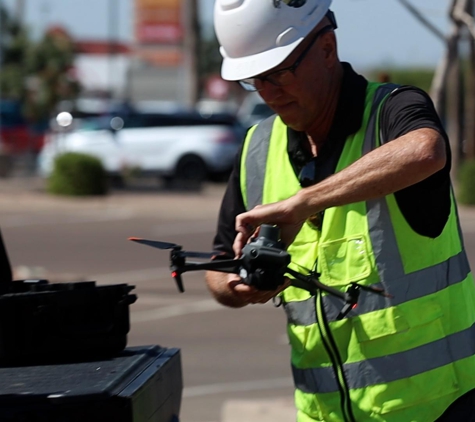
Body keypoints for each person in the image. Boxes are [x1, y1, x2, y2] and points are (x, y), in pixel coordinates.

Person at [205, 0, 475, 421]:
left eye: (277, 73)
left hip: (437, 408)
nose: (268, 92)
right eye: (254, 80)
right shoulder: (257, 148)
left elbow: (425, 151)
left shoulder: (391, 111)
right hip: (321, 413)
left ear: (327, 48)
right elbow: (220, 267)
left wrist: (303, 203)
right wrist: (237, 286)